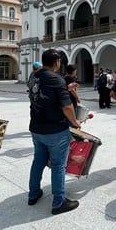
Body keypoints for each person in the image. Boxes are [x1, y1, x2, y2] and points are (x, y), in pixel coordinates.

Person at [28, 48, 81, 215]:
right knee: (58, 165)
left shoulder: (34, 76)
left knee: (38, 161)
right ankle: (59, 202)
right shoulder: (56, 79)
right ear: (57, 62)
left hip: (36, 128)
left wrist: (64, 86)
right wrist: (75, 121)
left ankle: (33, 193)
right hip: (55, 130)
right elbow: (67, 106)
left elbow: (45, 92)